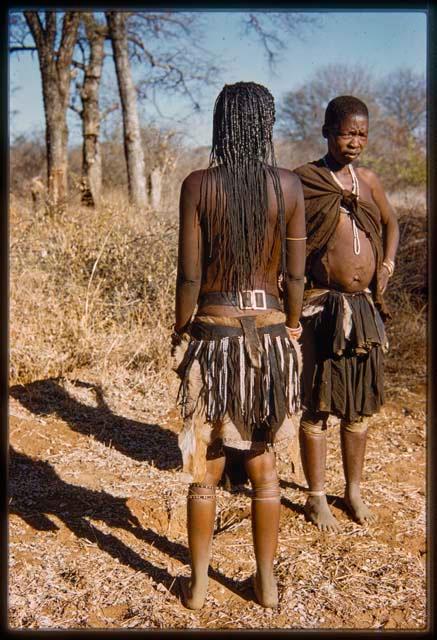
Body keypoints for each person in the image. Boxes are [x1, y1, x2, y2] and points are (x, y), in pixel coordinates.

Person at [172, 81, 306, 609]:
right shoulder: (289, 186)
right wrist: (292, 325)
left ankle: (200, 585)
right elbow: (294, 278)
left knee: (206, 461)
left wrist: (182, 326)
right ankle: (266, 583)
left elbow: (189, 276)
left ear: (221, 123)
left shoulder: (199, 184)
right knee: (262, 462)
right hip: (269, 337)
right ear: (266, 125)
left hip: (215, 332)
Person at [293, 95, 399, 533]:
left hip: (364, 310)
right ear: (326, 132)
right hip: (322, 307)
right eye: (345, 133)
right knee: (317, 405)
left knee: (359, 408)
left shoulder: (370, 181)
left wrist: (387, 264)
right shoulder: (305, 180)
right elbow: (284, 237)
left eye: (361, 134)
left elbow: (391, 223)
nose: (354, 142)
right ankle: (317, 497)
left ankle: (352, 489)